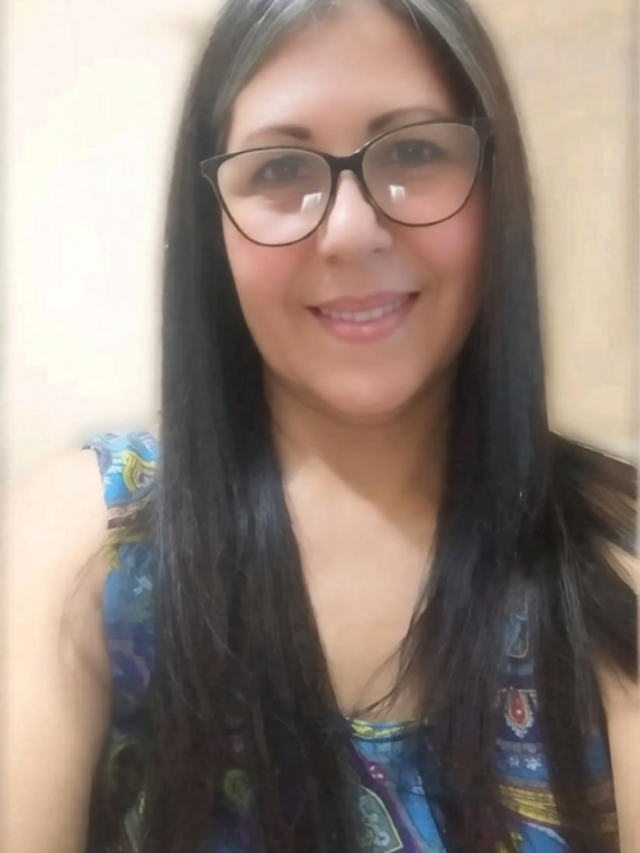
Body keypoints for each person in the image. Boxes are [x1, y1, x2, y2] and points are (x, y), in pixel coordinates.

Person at [5, 0, 638, 851]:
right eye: (278, 168)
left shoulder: (615, 555)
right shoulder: (82, 545)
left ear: (495, 187)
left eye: (414, 151)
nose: (349, 230)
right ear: (212, 226)